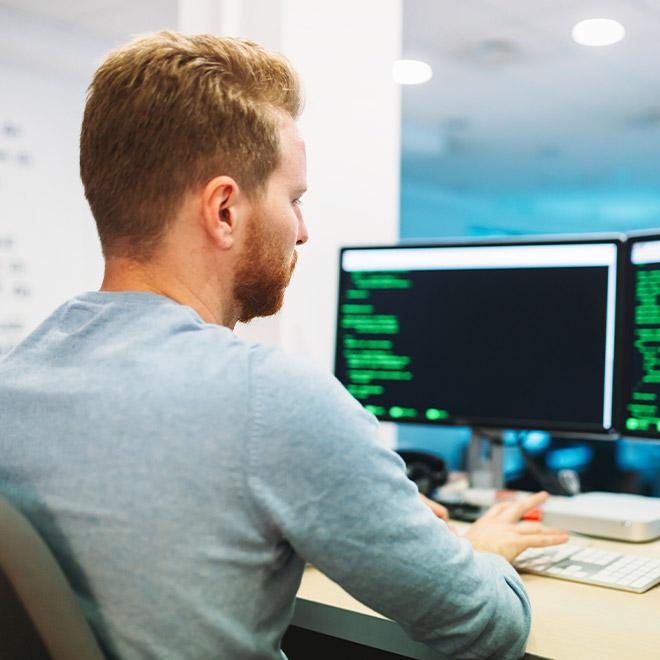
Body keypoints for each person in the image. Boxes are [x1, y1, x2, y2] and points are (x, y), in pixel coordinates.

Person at [0, 31, 568, 659]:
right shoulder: (269, 399)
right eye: (293, 198)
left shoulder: (16, 378)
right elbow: (485, 626)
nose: (303, 230)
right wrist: (473, 553)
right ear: (224, 210)